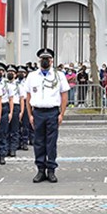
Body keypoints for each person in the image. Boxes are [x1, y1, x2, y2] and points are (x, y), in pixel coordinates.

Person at [26, 48, 70, 183]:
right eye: (42, 59)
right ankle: (40, 170)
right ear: (39, 61)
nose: (45, 61)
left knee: (51, 143)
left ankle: (51, 170)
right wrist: (30, 115)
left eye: (48, 59)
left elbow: (64, 96)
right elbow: (27, 97)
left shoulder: (59, 75)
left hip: (52, 112)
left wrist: (61, 114)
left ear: (52, 61)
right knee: (38, 142)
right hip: (38, 112)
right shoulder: (32, 76)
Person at [0, 62, 14, 165]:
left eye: (0, 71)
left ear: (3, 72)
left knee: (3, 133)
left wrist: (11, 112)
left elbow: (11, 99)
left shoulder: (7, 84)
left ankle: (2, 154)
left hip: (4, 107)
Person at [6, 64, 22, 158]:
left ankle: (13, 148)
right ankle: (6, 147)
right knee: (6, 130)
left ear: (15, 74)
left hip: (15, 106)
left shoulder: (18, 85)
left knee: (14, 129)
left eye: (12, 72)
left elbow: (21, 99)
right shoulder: (4, 83)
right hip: (6, 106)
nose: (10, 74)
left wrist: (21, 111)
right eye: (9, 72)